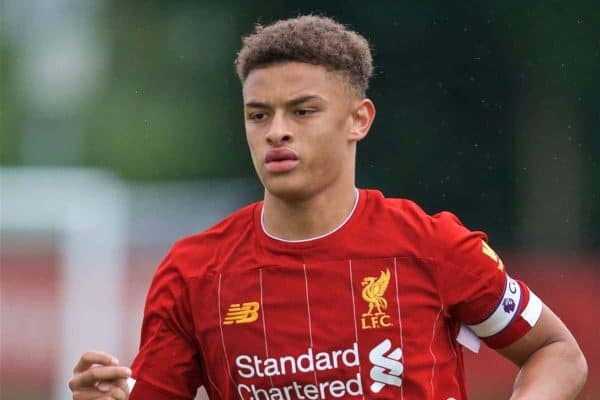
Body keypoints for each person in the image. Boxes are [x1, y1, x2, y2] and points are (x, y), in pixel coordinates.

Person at [68, 15, 587, 400]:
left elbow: (555, 352)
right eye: (258, 114)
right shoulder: (195, 273)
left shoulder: (432, 246)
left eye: (302, 111)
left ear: (358, 120)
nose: (276, 131)